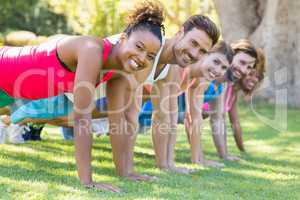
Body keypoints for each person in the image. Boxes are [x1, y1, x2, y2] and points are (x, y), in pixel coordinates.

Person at [0, 0, 165, 192]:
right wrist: (88, 181)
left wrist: (125, 172)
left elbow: (117, 120)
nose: (142, 57)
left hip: (10, 92)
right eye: (139, 46)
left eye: (151, 56)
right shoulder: (92, 50)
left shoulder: (117, 73)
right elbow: (81, 118)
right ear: (122, 38)